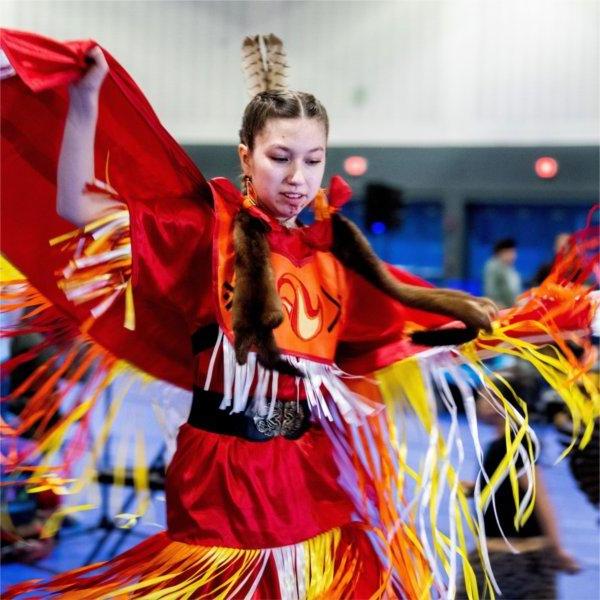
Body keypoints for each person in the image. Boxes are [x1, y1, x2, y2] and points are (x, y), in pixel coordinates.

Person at [1, 30, 597, 599]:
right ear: (245, 156)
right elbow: (75, 205)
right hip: (222, 475)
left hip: (306, 470)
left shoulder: (330, 257)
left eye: (313, 160)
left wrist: (558, 315)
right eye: (279, 156)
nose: (296, 177)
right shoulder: (200, 234)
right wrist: (84, 99)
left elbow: (414, 319)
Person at [458, 377, 581, 600]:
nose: (479, 401)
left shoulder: (516, 443)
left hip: (516, 558)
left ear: (505, 403)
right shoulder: (502, 444)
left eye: (487, 396)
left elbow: (539, 496)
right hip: (510, 556)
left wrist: (557, 549)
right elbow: (508, 488)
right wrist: (477, 489)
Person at [483, 238, 523, 309]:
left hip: (511, 308)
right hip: (501, 310)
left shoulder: (509, 268)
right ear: (501, 252)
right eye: (510, 252)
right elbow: (490, 291)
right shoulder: (493, 266)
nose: (514, 256)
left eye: (514, 252)